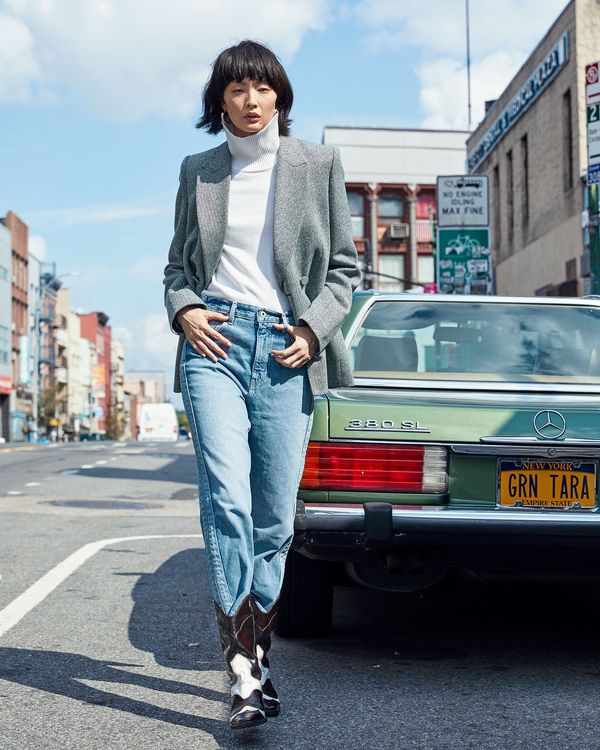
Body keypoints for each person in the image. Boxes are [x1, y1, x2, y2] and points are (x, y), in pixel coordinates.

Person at [163, 39, 361, 730]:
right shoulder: (199, 171)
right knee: (227, 501)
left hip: (285, 347)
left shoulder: (318, 165)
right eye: (237, 88)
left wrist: (312, 330)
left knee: (275, 518)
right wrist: (185, 308)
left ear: (280, 96)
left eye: (263, 88)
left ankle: (259, 654)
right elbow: (176, 268)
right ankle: (244, 670)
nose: (250, 100)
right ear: (219, 98)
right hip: (213, 341)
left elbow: (344, 268)